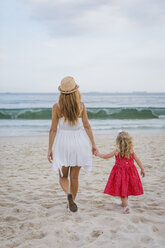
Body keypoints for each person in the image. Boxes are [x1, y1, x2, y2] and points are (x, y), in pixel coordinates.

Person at [48, 76, 97, 212]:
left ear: (61, 93)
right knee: (74, 177)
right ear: (76, 91)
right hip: (79, 143)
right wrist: (93, 144)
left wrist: (49, 149)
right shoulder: (81, 106)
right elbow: (87, 126)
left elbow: (53, 129)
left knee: (63, 177)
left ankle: (68, 195)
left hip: (63, 143)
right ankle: (72, 201)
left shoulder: (56, 107)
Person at [95, 131, 145, 213]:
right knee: (126, 188)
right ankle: (124, 203)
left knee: (123, 190)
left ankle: (126, 206)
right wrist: (142, 169)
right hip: (131, 173)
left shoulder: (117, 151)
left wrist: (97, 154)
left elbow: (105, 156)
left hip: (120, 174)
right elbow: (137, 159)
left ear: (118, 141)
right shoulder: (131, 151)